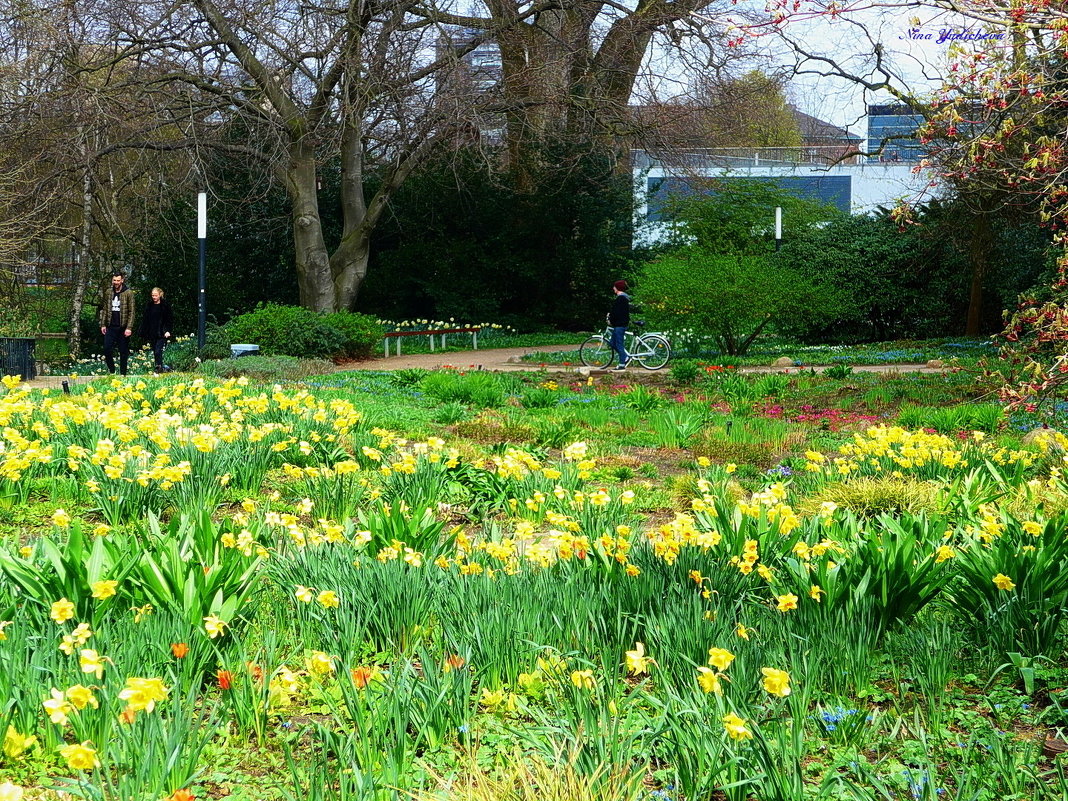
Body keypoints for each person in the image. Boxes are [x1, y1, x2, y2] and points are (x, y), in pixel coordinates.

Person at [98, 272, 136, 376]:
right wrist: (103, 324)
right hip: (111, 326)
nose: (116, 282)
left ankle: (123, 374)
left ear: (122, 280)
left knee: (123, 352)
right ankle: (112, 370)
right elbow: (105, 309)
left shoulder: (128, 293)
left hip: (123, 327)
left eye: (118, 280)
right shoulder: (108, 292)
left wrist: (129, 327)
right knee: (106, 349)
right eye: (114, 280)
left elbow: (131, 311)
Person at [140, 287, 173, 373]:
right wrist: (143, 331)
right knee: (155, 351)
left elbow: (169, 319)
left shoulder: (165, 306)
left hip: (162, 332)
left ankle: (159, 367)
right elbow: (145, 319)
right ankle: (160, 367)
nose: (154, 297)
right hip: (152, 332)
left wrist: (168, 330)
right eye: (152, 295)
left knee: (158, 351)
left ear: (160, 295)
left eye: (156, 295)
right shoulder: (149, 305)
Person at [607, 279, 630, 371]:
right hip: (618, 325)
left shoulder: (621, 298)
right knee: (612, 343)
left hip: (619, 325)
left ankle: (621, 364)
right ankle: (625, 357)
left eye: (614, 287)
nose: (613, 288)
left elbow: (617, 312)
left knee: (618, 344)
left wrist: (610, 318)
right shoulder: (623, 298)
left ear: (617, 288)